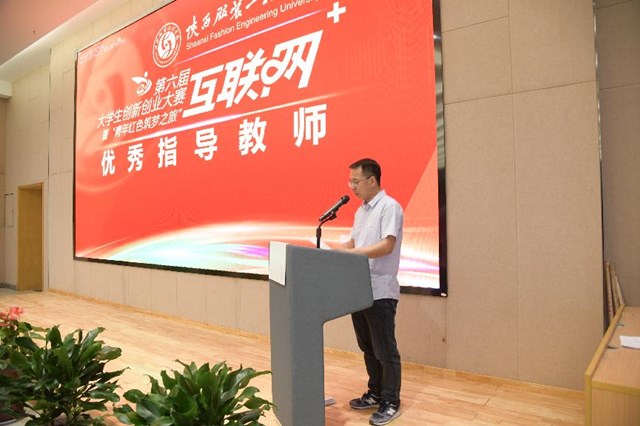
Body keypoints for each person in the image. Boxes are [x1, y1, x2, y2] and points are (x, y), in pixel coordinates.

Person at [339, 158, 403, 426]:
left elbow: (387, 245)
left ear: (372, 180)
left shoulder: (390, 207)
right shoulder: (361, 211)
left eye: (355, 181)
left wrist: (353, 253)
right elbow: (354, 242)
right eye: (350, 182)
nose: (352, 186)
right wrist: (332, 250)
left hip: (380, 290)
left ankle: (391, 401)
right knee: (367, 347)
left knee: (384, 350)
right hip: (359, 289)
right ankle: (375, 392)